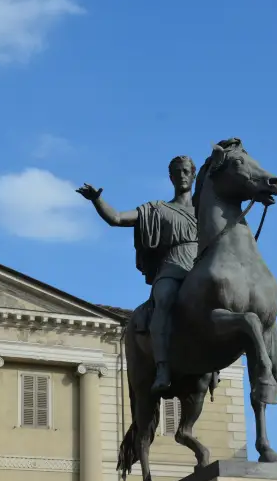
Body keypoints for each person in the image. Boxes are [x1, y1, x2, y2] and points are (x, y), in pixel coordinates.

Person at [77, 155, 198, 395]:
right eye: (177, 172)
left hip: (201, 267)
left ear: (193, 175)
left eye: (186, 171)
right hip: (173, 267)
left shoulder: (207, 210)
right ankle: (162, 367)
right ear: (171, 178)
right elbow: (117, 219)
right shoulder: (158, 210)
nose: (182, 176)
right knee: (163, 300)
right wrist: (97, 200)